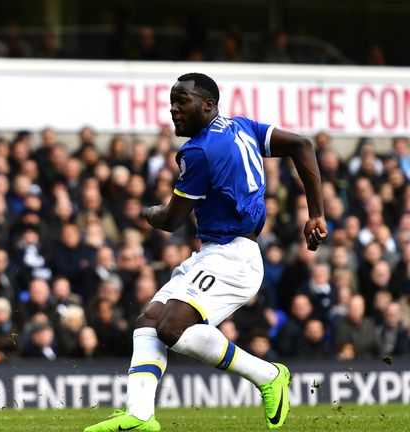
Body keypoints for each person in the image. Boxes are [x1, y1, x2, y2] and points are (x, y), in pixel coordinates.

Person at [84, 73, 327, 432]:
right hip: (216, 253)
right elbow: (302, 145)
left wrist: (148, 213)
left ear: (208, 104)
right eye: (172, 102)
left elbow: (170, 221)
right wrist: (317, 213)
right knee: (149, 320)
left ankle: (268, 374)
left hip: (233, 257)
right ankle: (139, 415)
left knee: (171, 327)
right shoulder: (242, 127)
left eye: (183, 101)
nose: (174, 109)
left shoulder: (199, 151)